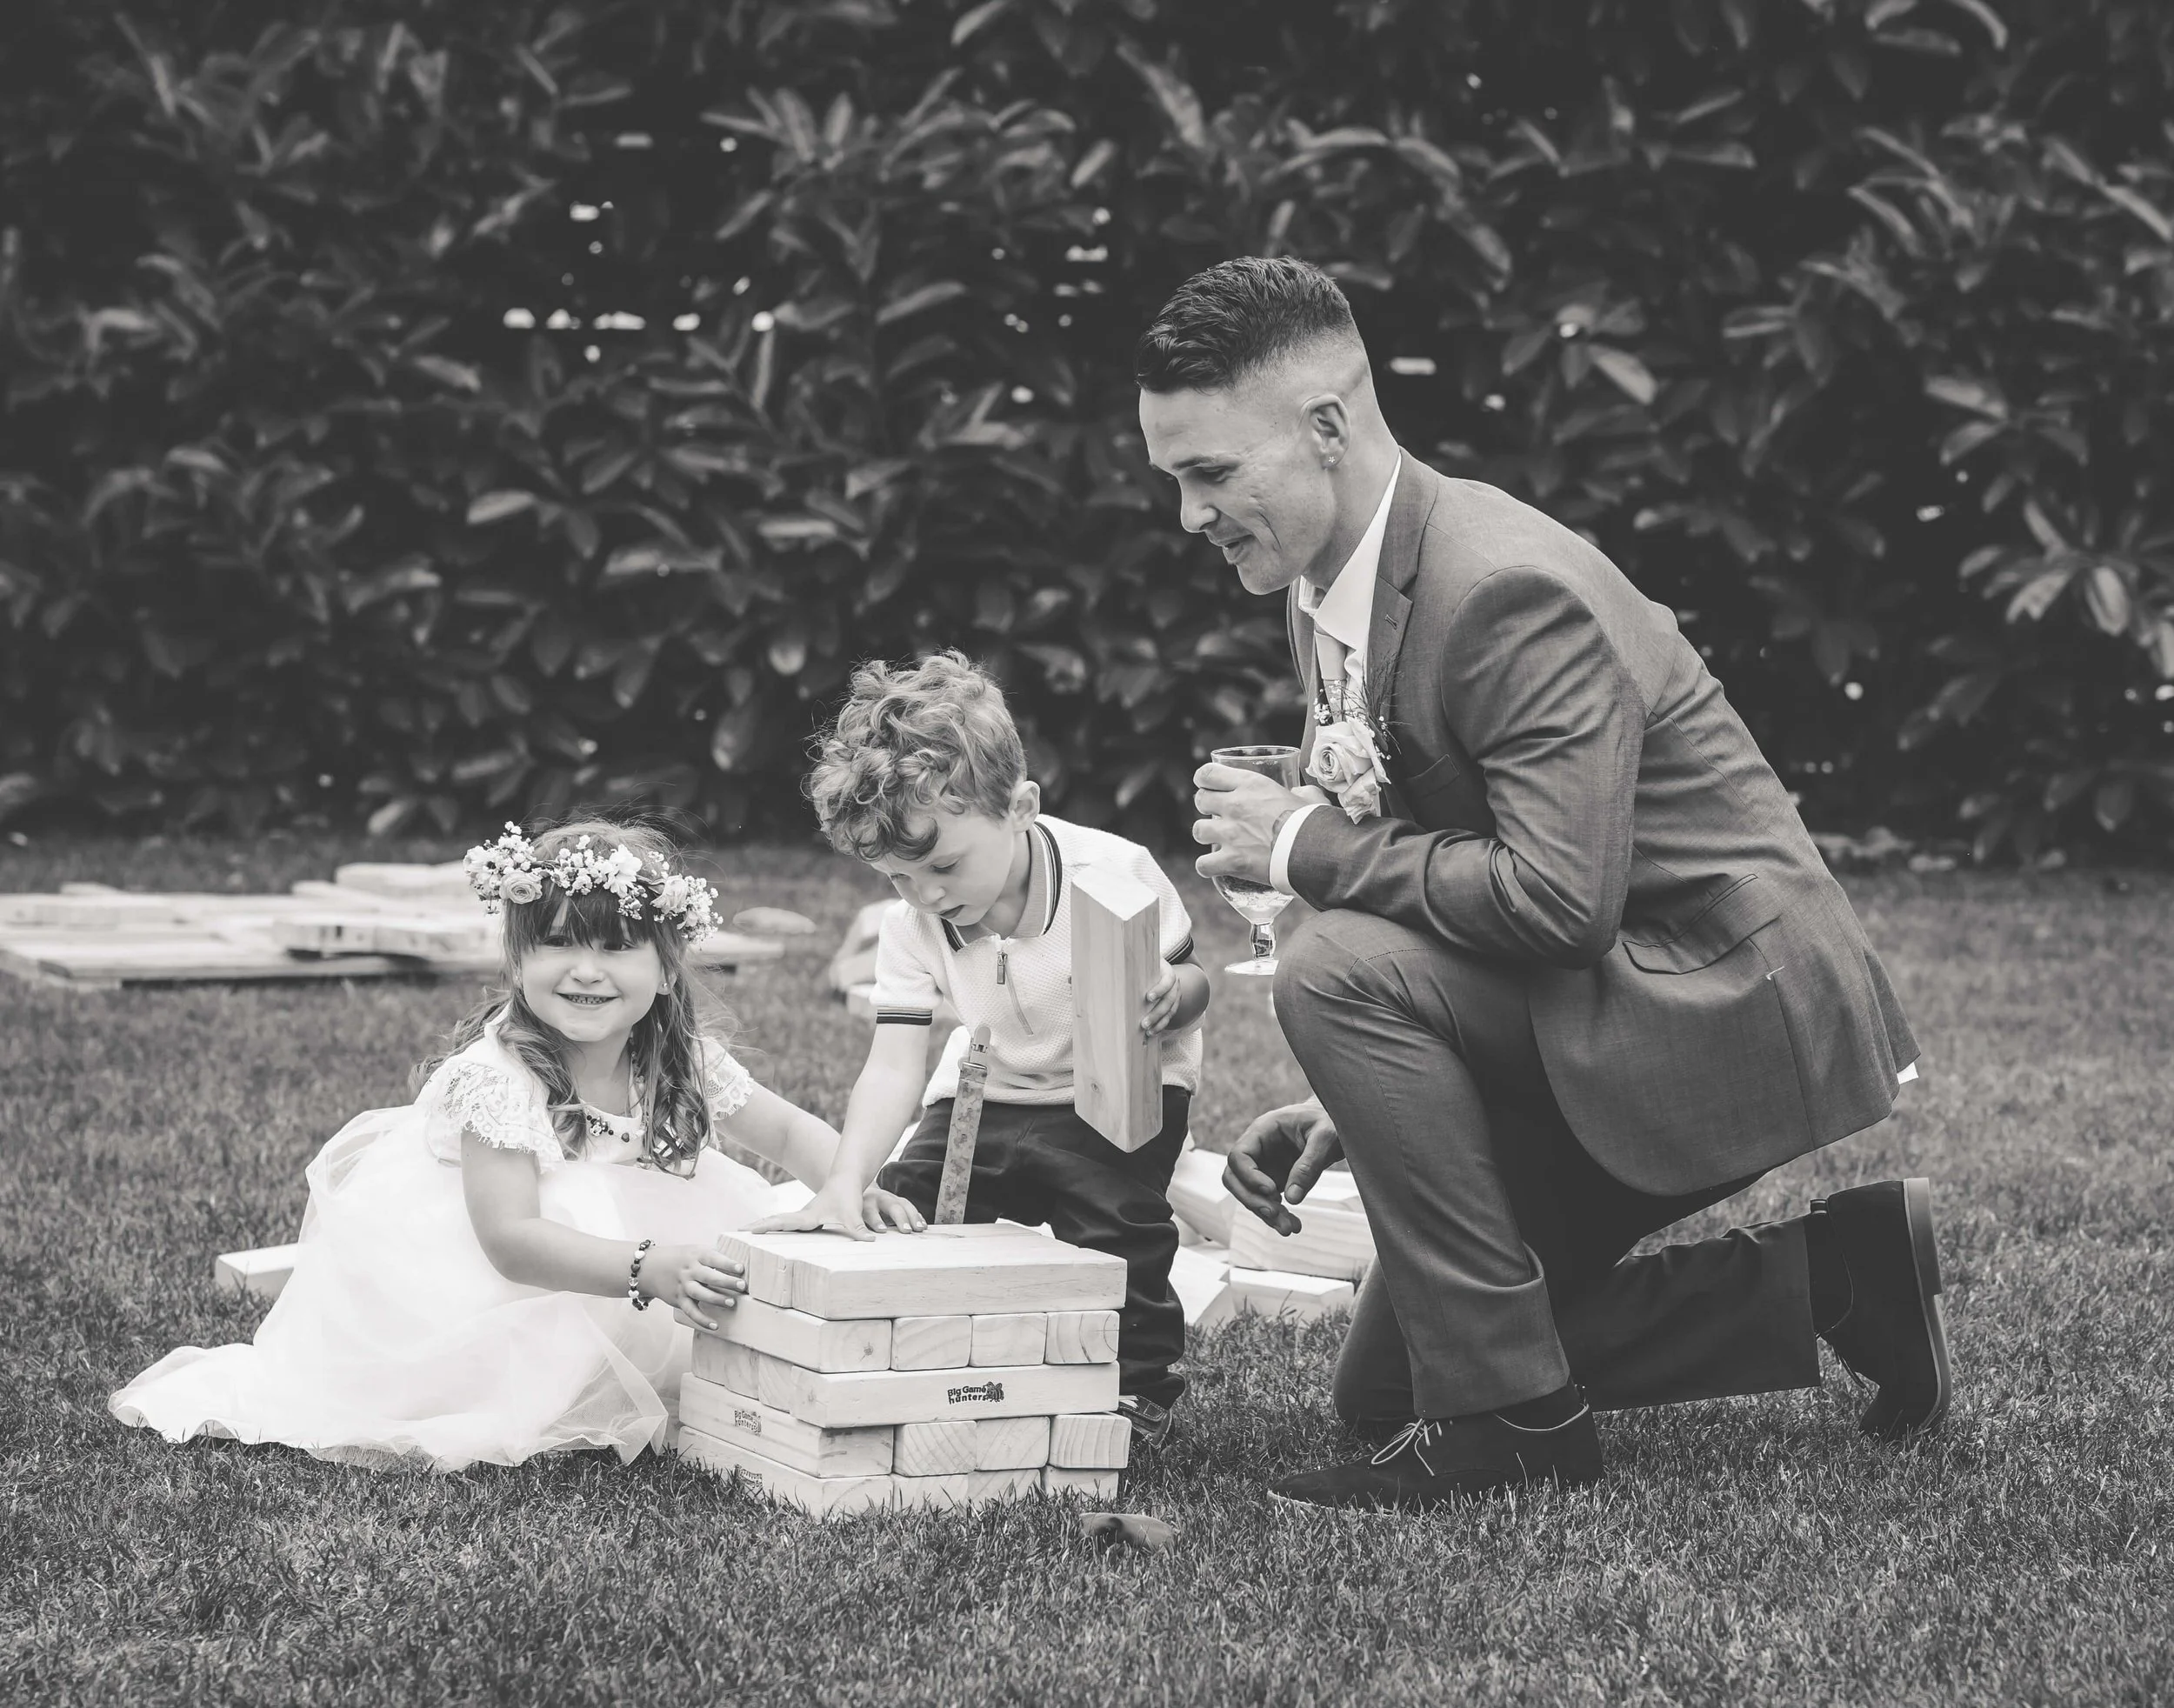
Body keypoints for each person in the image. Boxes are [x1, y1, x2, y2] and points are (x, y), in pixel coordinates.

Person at [1146, 257, 1949, 1510]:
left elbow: (1561, 902)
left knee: (1328, 966)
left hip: (1714, 999)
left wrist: (1303, 846)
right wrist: (1361, 1100)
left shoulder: (1499, 588)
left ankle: (1519, 1423)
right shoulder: (1330, 585)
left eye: (1210, 475)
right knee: (1382, 1395)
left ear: (1326, 429)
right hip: (1598, 992)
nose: (1190, 517)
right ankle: (1839, 1276)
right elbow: (1444, 881)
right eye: (1175, 481)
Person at [110, 817, 910, 1471]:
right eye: (558, 944)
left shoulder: (680, 1055)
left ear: (667, 970)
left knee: (743, 1241)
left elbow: (792, 1132)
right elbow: (512, 1242)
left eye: (616, 947)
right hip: (493, 1273)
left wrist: (847, 1183)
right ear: (517, 960)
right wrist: (648, 1267)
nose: (586, 971)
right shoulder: (494, 1077)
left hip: (619, 1243)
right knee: (551, 1307)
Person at [759, 652, 1210, 1444]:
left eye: (941, 865)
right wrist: (847, 1181)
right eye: (896, 878)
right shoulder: (914, 925)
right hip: (986, 1088)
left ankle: (1134, 1387)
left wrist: (1178, 996)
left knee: (1116, 1222)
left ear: (1020, 807)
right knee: (908, 1207)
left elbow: (1193, 982)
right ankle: (929, 1360)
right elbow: (894, 1060)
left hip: (1116, 1084)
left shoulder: (1115, 873)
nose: (924, 894)